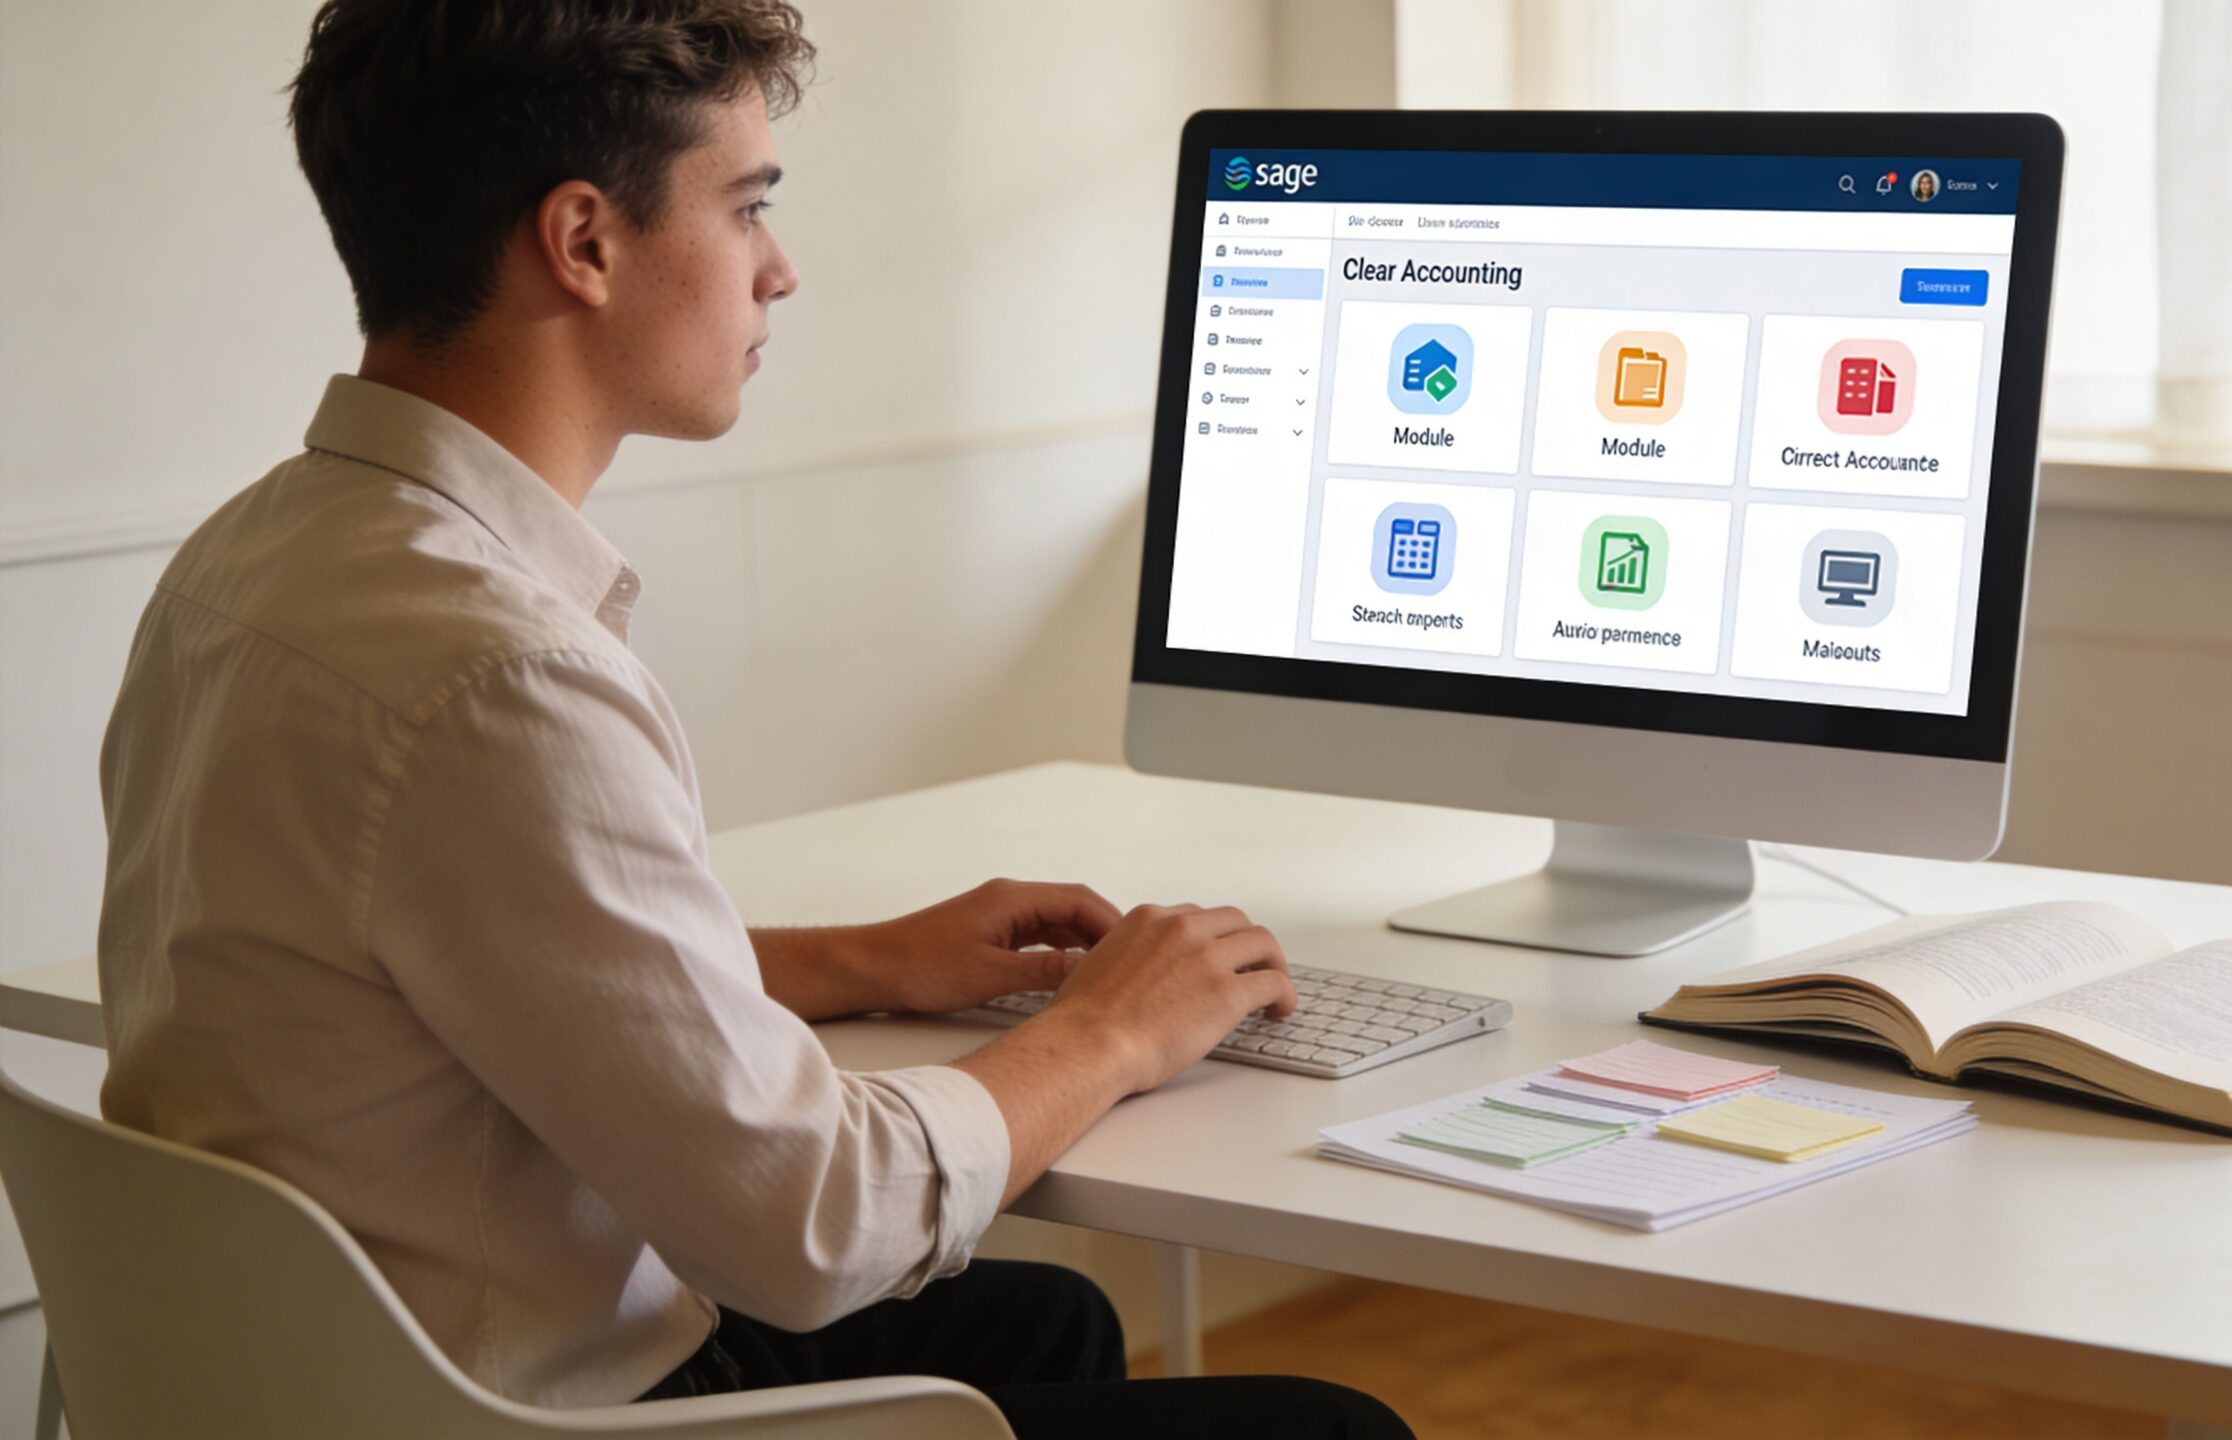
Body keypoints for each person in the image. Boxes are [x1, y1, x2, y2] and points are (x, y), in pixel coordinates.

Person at [91, 3, 1411, 1436]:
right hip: (517, 1409)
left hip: (305, 1378)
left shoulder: (249, 562)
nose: (781, 271)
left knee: (1044, 1317)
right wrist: (1108, 1034)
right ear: (584, 241)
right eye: (748, 206)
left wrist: (865, 961)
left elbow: (479, 969)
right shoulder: (498, 675)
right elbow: (816, 1226)